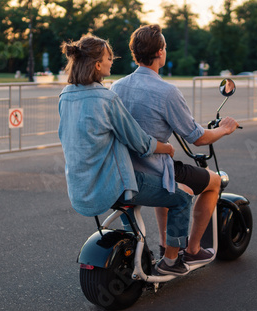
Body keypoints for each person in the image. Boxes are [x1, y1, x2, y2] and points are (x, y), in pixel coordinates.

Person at [58, 34, 196, 276]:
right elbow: (141, 143)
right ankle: (172, 261)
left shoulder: (65, 96)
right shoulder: (106, 98)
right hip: (113, 184)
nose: (113, 63)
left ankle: (136, 252)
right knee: (182, 197)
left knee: (129, 206)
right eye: (109, 58)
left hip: (81, 186)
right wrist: (167, 148)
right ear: (98, 65)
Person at [111, 24, 239, 265]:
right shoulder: (166, 91)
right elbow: (197, 137)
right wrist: (223, 129)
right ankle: (192, 248)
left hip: (124, 170)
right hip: (154, 169)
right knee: (213, 182)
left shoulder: (116, 87)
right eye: (166, 47)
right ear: (160, 52)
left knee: (174, 180)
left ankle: (164, 244)